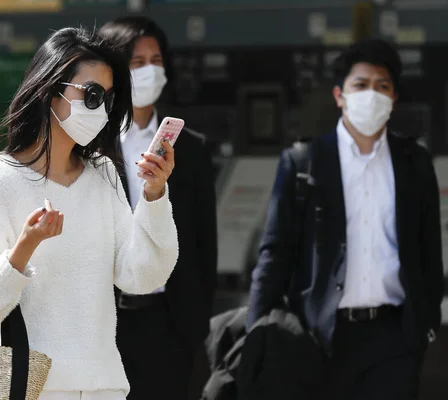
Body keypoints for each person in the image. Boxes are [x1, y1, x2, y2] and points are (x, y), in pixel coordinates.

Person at [0, 27, 179, 400]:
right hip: (24, 386)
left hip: (101, 385)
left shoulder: (103, 174)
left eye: (107, 98)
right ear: (49, 90)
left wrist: (154, 197)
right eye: (91, 95)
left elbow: (140, 276)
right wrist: (25, 247)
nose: (100, 109)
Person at [245, 38, 443, 399]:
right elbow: (275, 253)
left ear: (394, 97)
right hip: (319, 337)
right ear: (340, 95)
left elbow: (429, 248)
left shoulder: (414, 162)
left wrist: (425, 324)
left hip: (394, 338)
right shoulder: (304, 161)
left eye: (382, 86)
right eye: (361, 85)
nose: (372, 94)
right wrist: (256, 330)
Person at [99, 17, 217, 400]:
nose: (149, 70)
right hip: (101, 313)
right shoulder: (89, 144)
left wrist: (195, 318)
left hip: (168, 316)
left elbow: (203, 241)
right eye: (136, 62)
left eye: (156, 60)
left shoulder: (191, 148)